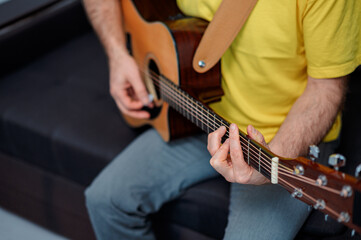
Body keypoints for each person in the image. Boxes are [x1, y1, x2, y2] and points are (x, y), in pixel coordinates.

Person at [82, 0, 361, 239]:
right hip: (195, 109)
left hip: (278, 141)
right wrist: (118, 55)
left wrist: (273, 161)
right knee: (105, 202)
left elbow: (325, 90)